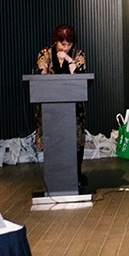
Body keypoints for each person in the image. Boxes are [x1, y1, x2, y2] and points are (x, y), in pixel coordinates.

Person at [34, 24, 90, 188]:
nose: (65, 48)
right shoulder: (45, 54)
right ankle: (54, 176)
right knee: (53, 140)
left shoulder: (77, 54)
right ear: (55, 42)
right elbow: (42, 76)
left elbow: (80, 76)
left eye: (69, 44)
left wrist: (69, 60)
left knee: (76, 141)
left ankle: (76, 174)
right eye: (62, 44)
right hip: (50, 108)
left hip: (74, 109)